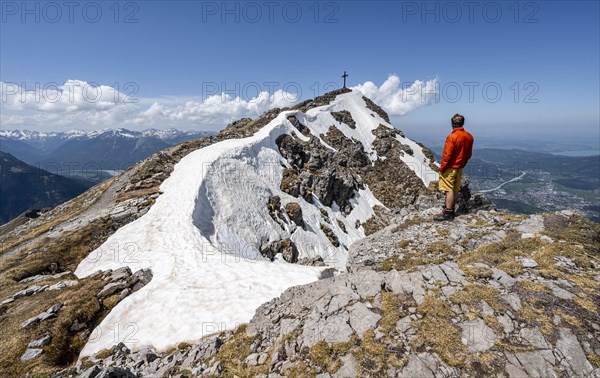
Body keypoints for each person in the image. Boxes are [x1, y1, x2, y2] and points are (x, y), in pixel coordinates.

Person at [433, 114, 474, 221]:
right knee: (455, 188)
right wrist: (462, 164)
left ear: (452, 124)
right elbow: (468, 154)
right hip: (460, 167)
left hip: (450, 167)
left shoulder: (452, 137)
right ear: (463, 123)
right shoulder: (469, 136)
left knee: (448, 189)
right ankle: (452, 208)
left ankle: (448, 213)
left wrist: (442, 168)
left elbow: (447, 155)